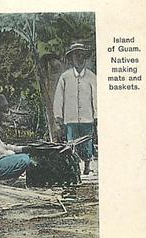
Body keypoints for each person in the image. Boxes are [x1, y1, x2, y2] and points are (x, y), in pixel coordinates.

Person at [53, 42, 97, 175]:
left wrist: (96, 116)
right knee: (72, 142)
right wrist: (58, 116)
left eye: (82, 55)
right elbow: (59, 97)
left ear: (85, 57)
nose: (79, 58)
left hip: (87, 117)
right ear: (71, 58)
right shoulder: (65, 77)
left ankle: (87, 167)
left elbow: (96, 98)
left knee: (87, 142)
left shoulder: (91, 77)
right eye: (76, 55)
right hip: (70, 117)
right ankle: (74, 167)